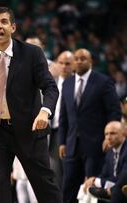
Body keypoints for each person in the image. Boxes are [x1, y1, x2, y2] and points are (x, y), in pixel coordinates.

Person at [0, 7, 62, 203]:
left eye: (4, 22)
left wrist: (44, 112)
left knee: (43, 184)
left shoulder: (32, 53)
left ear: (12, 27)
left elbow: (50, 87)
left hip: (29, 129)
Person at [58, 49, 122, 203]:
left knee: (91, 188)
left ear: (90, 61)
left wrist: (109, 137)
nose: (79, 61)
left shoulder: (104, 82)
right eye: (77, 59)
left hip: (96, 144)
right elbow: (63, 117)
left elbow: (113, 112)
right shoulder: (67, 83)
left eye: (83, 58)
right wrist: (62, 142)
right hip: (72, 145)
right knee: (68, 186)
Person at [50, 51, 74, 188]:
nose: (64, 66)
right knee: (55, 171)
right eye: (61, 63)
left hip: (70, 132)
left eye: (68, 64)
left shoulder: (78, 83)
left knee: (68, 171)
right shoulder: (51, 82)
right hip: (52, 131)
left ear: (74, 65)